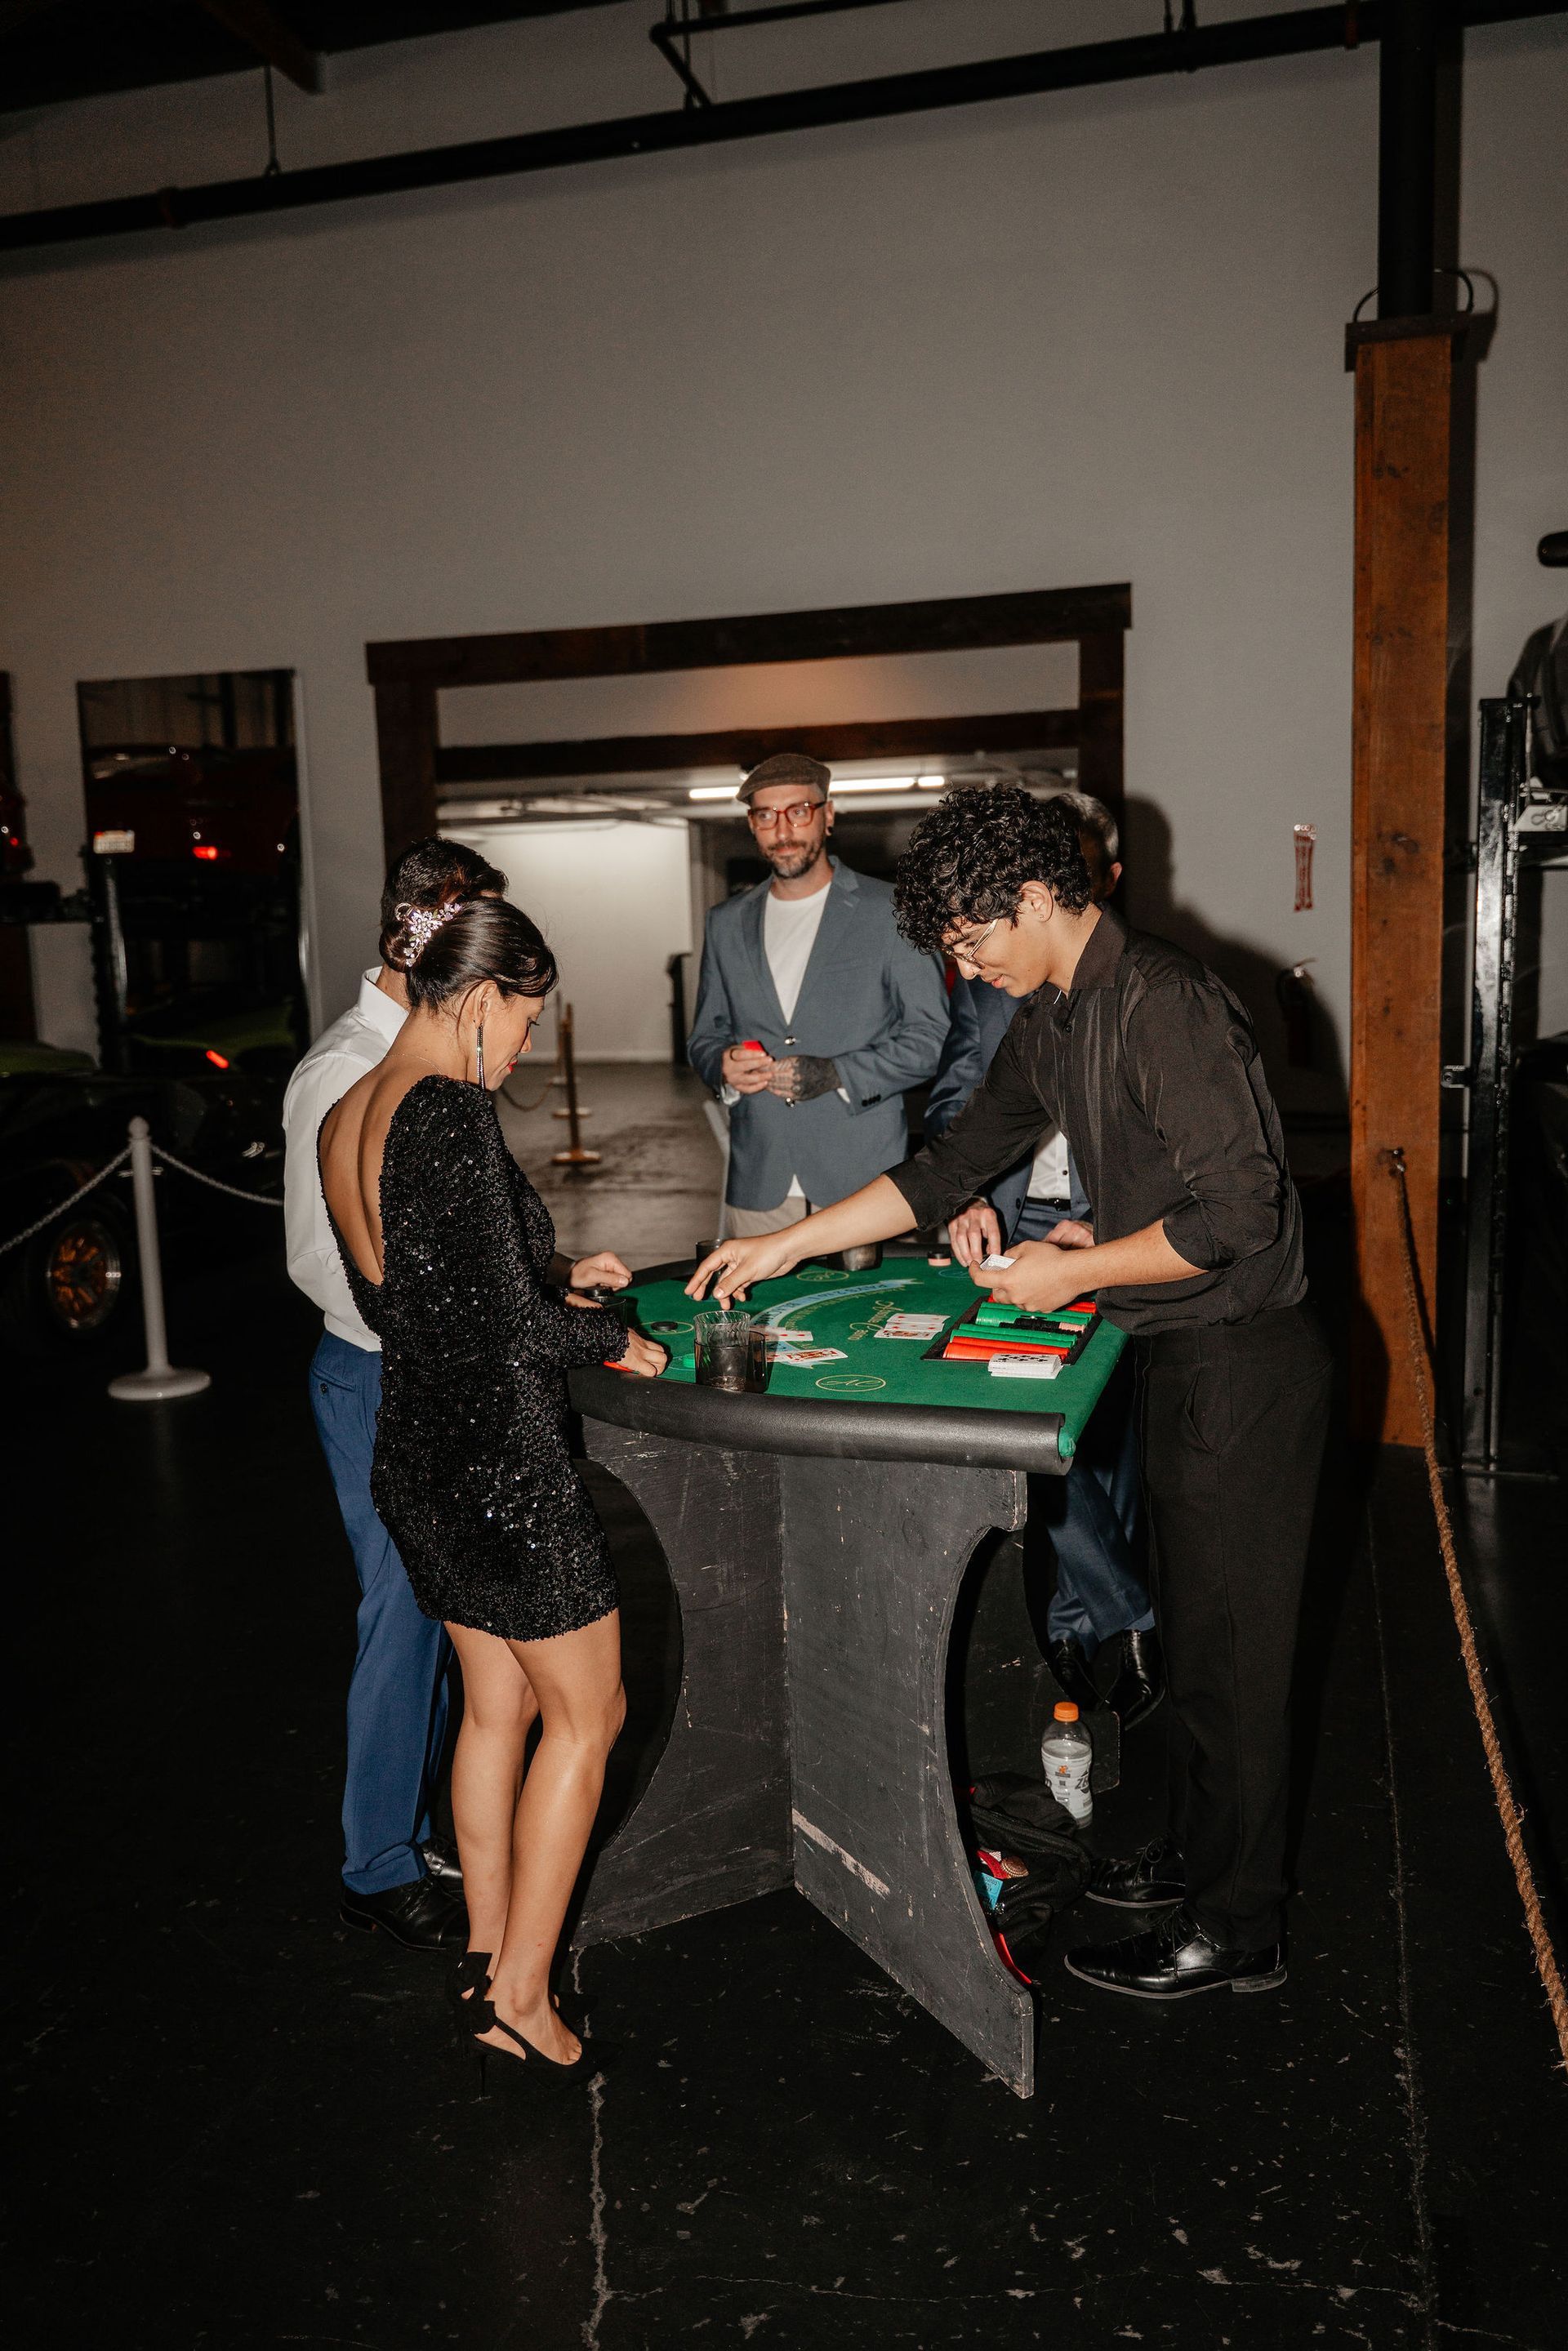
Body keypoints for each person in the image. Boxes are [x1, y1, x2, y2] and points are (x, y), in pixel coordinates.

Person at [689, 785, 1331, 2002]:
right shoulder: (1057, 1012)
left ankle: (1240, 1926)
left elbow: (1246, 1214)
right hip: (1181, 1349)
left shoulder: (1163, 1000)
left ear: (1038, 897)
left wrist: (1075, 1265)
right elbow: (947, 1167)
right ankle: (1204, 1855)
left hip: (1247, 1362)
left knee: (1233, 1661)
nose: (970, 970)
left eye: (978, 941)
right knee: (1197, 1639)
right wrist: (791, 1244)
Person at [318, 890, 666, 2083]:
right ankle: (522, 1992)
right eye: (522, 1022)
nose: (524, 1048)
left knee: (495, 1705)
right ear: (475, 1000)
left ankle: (484, 1948)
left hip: (415, 1452)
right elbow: (506, 1323)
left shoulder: (348, 1113)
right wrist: (614, 1331)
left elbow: (399, 1307)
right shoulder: (451, 1114)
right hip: (499, 1465)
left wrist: (543, 1295)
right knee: (590, 1711)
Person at [923, 791, 1161, 1729]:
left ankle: (1100, 1613)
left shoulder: (1149, 990)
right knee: (1040, 1434)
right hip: (1026, 1229)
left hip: (1125, 1237)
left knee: (1116, 1445)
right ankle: (1105, 1617)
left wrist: (1104, 1244)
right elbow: (953, 1109)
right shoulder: (993, 984)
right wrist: (969, 1192)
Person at [686, 752, 950, 1236]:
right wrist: (721, 1064)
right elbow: (705, 1035)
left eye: (798, 811)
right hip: (759, 1180)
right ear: (752, 824)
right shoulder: (724, 922)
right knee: (762, 1314)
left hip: (864, 1180)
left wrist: (836, 1073)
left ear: (827, 816)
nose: (783, 831)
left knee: (869, 1312)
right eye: (766, 815)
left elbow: (932, 1038)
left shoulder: (890, 910)